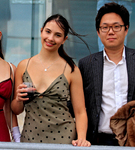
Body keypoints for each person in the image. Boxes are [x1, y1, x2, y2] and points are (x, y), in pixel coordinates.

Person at [11, 14, 91, 147]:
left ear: (64, 39)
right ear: (41, 31)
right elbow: (16, 110)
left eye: (57, 35)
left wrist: (82, 138)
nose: (51, 38)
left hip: (64, 137)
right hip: (30, 137)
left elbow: (80, 111)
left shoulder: (71, 70)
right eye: (48, 32)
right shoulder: (23, 66)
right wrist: (19, 99)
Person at [79, 2, 135, 145]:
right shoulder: (86, 64)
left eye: (116, 26)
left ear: (126, 29)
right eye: (105, 27)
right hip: (99, 141)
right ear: (98, 32)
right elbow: (76, 103)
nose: (110, 31)